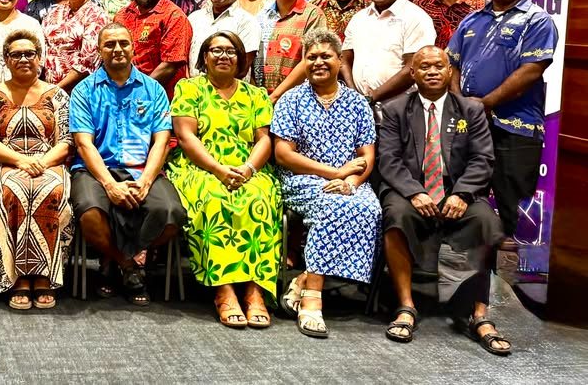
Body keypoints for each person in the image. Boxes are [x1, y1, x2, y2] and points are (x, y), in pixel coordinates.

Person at [377, 46, 509, 355]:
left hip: (458, 190)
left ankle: (479, 315)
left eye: (439, 66)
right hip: (409, 189)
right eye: (425, 67)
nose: (433, 71)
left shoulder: (471, 110)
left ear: (449, 71)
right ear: (413, 73)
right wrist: (415, 192)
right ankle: (406, 307)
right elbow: (389, 160)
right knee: (396, 215)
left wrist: (462, 193)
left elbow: (482, 160)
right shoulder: (396, 109)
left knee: (485, 219)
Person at [272, 28, 381, 338]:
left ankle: (304, 279)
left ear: (338, 60)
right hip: (302, 180)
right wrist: (333, 174)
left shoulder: (358, 103)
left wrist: (351, 181)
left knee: (369, 210)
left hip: (349, 181)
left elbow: (367, 156)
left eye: (326, 56)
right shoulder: (291, 100)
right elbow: (284, 155)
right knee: (331, 206)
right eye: (312, 57)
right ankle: (312, 300)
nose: (318, 62)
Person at [167, 31, 281, 328]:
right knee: (215, 198)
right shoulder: (189, 88)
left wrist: (248, 170)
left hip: (249, 167)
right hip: (199, 166)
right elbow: (185, 136)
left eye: (231, 51)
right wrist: (218, 170)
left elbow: (264, 140)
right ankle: (225, 290)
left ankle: (255, 291)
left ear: (241, 59)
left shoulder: (256, 95)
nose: (223, 56)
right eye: (215, 50)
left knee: (259, 199)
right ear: (204, 57)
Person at [70, 23, 186, 306]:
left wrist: (146, 181)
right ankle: (129, 264)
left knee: (171, 213)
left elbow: (161, 140)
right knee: (90, 212)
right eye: (109, 44)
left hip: (141, 168)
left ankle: (113, 260)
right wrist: (109, 185)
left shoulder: (153, 89)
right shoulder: (84, 90)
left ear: (134, 48)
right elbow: (84, 144)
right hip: (96, 169)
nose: (117, 49)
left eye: (123, 43)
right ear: (99, 51)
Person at [446, 0, 559, 240]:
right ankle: (472, 277)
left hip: (514, 128)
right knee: (464, 199)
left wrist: (485, 103)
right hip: (470, 125)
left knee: (514, 208)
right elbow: (453, 64)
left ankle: (509, 281)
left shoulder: (537, 20)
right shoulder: (472, 20)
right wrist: (461, 104)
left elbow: (531, 71)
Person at [0, 30, 74, 309]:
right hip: (7, 162)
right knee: (13, 192)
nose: (23, 59)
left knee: (51, 190)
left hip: (50, 162)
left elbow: (67, 141)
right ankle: (17, 276)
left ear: (40, 58)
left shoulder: (56, 95)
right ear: (6, 60)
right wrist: (21, 161)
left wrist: (42, 162)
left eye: (29, 53)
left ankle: (45, 274)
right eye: (16, 54)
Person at [341, 0, 436, 105]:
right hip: (360, 110)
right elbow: (345, 60)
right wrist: (354, 97)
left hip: (400, 112)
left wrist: (372, 97)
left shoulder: (416, 18)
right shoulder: (359, 18)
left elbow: (413, 67)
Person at [114, 0, 192, 98]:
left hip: (157, 99)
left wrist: (137, 93)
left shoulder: (174, 17)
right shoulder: (122, 15)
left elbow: (169, 66)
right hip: (120, 94)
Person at [255, 0, 325, 102]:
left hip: (298, 99)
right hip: (261, 98)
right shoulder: (262, 15)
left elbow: (310, 59)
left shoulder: (312, 15)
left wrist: (275, 96)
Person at [40, 0, 106, 92]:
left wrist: (57, 90)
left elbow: (87, 63)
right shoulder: (53, 12)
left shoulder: (97, 16)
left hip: (81, 93)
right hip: (48, 90)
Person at [187, 0, 260, 78]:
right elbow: (183, 59)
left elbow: (242, 68)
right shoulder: (194, 18)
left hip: (229, 93)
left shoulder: (247, 22)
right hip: (193, 91)